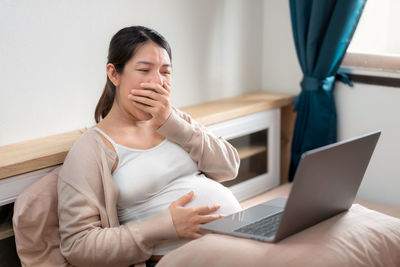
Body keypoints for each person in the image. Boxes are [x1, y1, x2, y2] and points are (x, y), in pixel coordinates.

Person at [57, 25, 241, 267]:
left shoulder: (174, 121)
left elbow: (229, 168)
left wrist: (173, 123)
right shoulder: (92, 148)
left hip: (236, 241)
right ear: (114, 74)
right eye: (144, 70)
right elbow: (77, 246)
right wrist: (164, 226)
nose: (158, 82)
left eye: (166, 72)